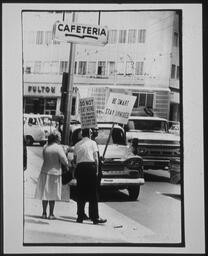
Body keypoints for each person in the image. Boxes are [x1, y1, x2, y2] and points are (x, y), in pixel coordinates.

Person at [73, 128, 107, 224]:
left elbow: (75, 160)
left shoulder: (77, 145)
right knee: (93, 194)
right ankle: (94, 217)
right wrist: (96, 171)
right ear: (90, 134)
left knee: (81, 193)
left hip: (80, 168)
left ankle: (80, 216)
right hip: (90, 168)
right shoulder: (93, 143)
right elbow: (96, 158)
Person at [35, 131, 69, 219]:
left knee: (45, 193)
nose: (61, 138)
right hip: (55, 173)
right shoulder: (58, 148)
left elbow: (44, 157)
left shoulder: (45, 147)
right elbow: (64, 161)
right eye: (60, 136)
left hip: (44, 171)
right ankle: (51, 214)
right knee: (52, 194)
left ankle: (43, 213)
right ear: (56, 138)